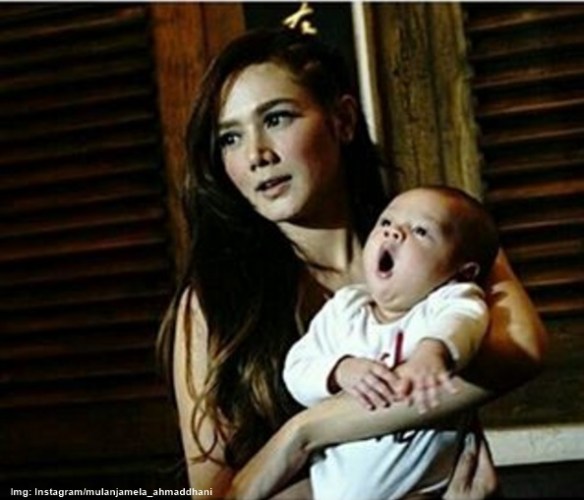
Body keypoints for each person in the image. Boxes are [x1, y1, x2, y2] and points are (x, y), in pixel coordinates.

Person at [156, 28, 547, 499]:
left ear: (342, 120)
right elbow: (218, 495)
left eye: (276, 118)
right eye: (230, 138)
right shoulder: (214, 300)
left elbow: (520, 348)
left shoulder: (439, 237)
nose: (257, 154)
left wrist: (303, 433)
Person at [282, 186, 499, 499]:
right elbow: (296, 369)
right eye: (386, 222)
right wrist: (339, 370)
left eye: (421, 231)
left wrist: (433, 351)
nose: (393, 232)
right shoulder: (345, 307)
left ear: (462, 273)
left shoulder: (448, 301)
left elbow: (464, 320)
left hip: (418, 492)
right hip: (324, 486)